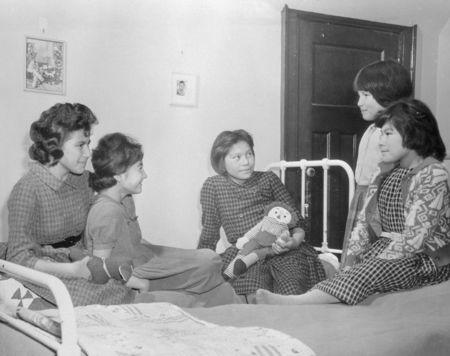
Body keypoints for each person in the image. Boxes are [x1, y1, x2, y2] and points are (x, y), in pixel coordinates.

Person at [255, 99, 450, 305]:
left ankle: (298, 302)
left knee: (372, 270)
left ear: (413, 133)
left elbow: (415, 238)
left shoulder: (433, 173)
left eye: (388, 133)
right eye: (380, 133)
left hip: (425, 259)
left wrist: (376, 262)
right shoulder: (383, 171)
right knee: (352, 270)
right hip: (386, 248)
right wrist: (351, 260)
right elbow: (364, 224)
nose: (381, 141)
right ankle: (309, 299)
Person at [84, 132, 240, 307]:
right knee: (210, 263)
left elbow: (134, 240)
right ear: (119, 174)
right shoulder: (106, 211)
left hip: (143, 256)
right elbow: (99, 267)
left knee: (211, 260)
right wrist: (139, 283)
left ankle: (208, 292)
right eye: (140, 168)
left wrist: (169, 259)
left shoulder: (125, 199)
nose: (145, 175)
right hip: (130, 273)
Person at [7, 103, 135, 306]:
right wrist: (71, 270)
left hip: (79, 258)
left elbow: (115, 195)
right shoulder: (27, 189)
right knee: (98, 296)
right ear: (54, 146)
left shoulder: (82, 180)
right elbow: (17, 258)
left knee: (123, 280)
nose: (87, 153)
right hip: (45, 268)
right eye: (80, 145)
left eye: (88, 143)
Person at [198, 129, 326, 298]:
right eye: (237, 157)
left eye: (249, 154)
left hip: (282, 249)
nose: (246, 162)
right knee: (253, 292)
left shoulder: (268, 179)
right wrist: (199, 267)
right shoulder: (213, 186)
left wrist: (292, 243)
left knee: (291, 289)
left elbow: (297, 224)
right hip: (246, 252)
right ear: (221, 161)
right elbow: (209, 234)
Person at [340, 59, 413, 268]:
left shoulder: (394, 132)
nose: (359, 103)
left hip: (379, 201)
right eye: (359, 95)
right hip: (362, 197)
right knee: (354, 255)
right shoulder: (372, 129)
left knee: (372, 258)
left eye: (366, 95)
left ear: (386, 94)